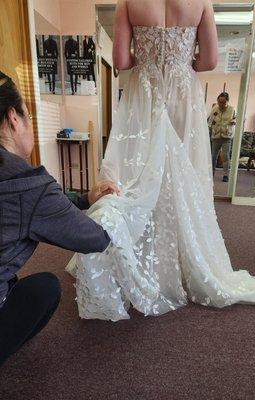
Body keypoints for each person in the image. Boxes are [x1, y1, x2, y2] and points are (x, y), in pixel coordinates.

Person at [66, 0, 255, 321]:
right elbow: (209, 61)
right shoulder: (200, 1)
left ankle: (135, 261)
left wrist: (147, 58)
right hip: (181, 94)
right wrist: (178, 57)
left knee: (137, 174)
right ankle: (183, 258)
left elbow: (120, 59)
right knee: (183, 178)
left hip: (143, 94)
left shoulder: (128, 2)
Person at [0, 72, 119, 366]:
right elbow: (95, 239)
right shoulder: (27, 183)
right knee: (46, 288)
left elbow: (45, 206)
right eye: (28, 114)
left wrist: (83, 200)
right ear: (14, 118)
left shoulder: (31, 189)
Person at [208, 92, 236, 182]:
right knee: (213, 156)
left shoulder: (232, 110)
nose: (221, 104)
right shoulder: (214, 109)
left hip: (226, 137)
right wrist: (208, 133)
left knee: (226, 156)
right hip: (216, 136)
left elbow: (237, 119)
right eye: (219, 102)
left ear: (227, 102)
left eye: (223, 102)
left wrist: (234, 122)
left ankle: (226, 175)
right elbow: (209, 122)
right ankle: (211, 174)